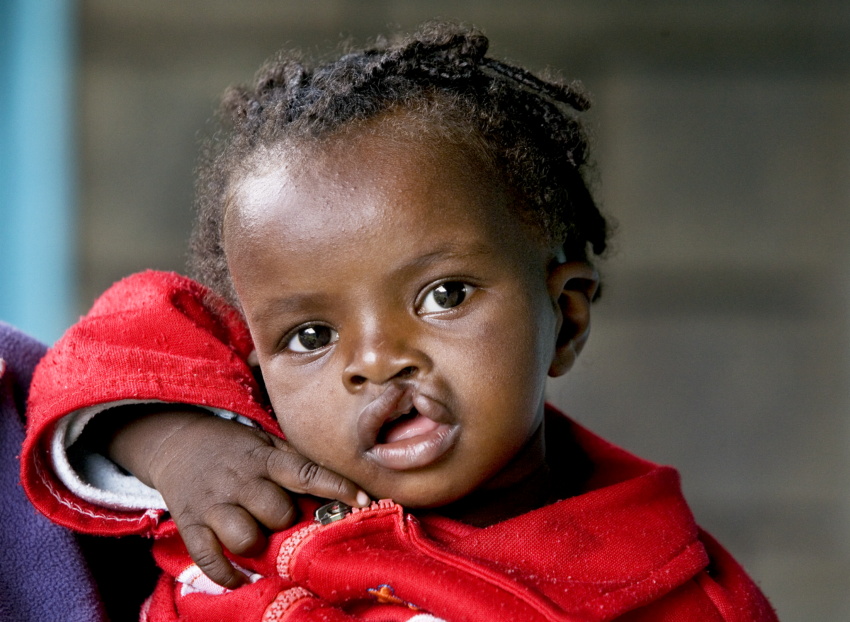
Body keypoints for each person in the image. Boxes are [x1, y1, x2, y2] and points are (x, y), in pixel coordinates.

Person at [21, 22, 778, 622]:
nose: (378, 360)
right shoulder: (249, 454)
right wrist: (181, 446)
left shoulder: (669, 588)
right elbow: (108, 350)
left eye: (443, 295)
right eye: (312, 337)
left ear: (567, 317)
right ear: (255, 364)